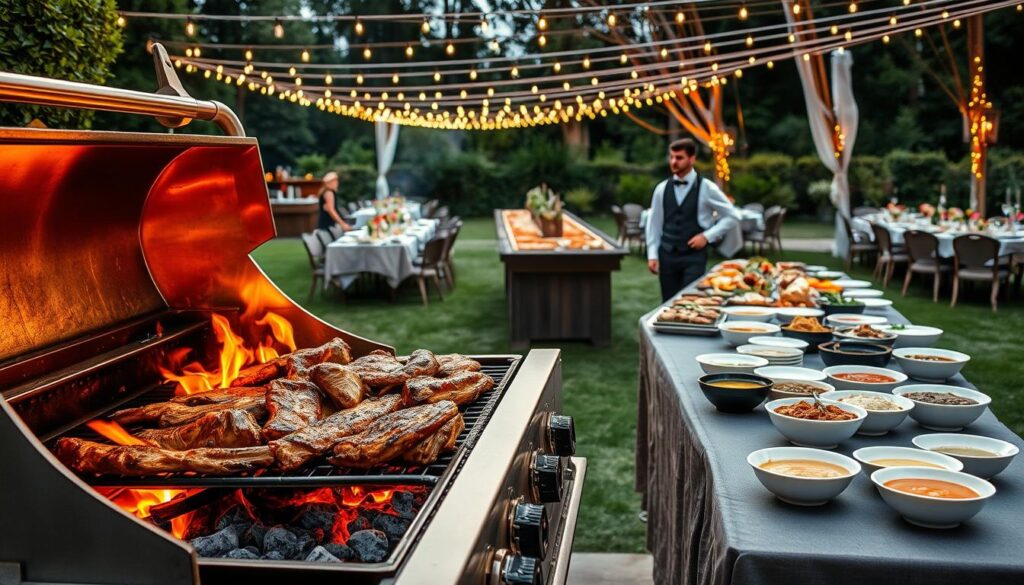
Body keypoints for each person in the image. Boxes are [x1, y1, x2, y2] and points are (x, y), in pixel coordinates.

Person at [646, 138, 739, 302]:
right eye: (672, 157)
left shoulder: (707, 188)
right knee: (667, 302)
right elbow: (654, 224)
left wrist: (707, 236)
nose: (674, 162)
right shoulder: (661, 189)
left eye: (679, 157)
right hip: (667, 255)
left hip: (693, 257)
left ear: (692, 159)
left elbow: (732, 216)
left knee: (690, 300)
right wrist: (652, 254)